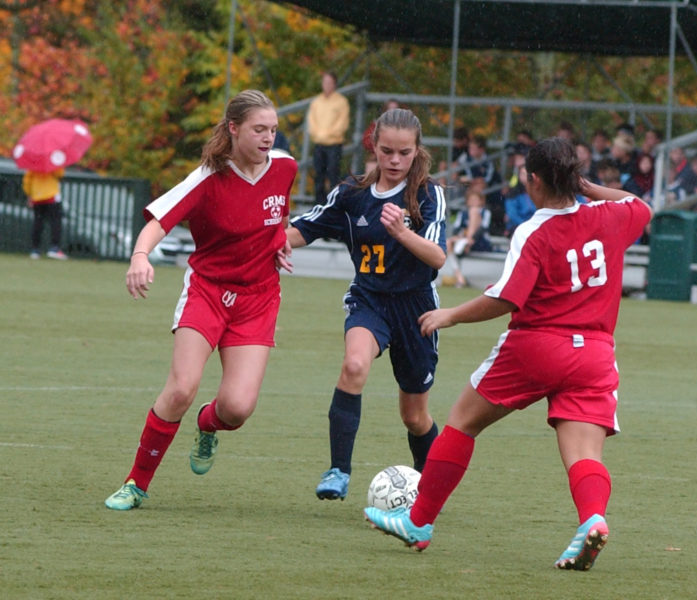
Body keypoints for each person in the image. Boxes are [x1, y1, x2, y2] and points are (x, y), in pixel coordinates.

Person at [364, 137, 653, 572]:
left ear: (532, 179)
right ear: (574, 178)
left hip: (536, 347)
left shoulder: (534, 229)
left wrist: (451, 315)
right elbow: (640, 206)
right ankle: (592, 520)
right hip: (593, 352)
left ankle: (419, 522)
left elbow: (506, 298)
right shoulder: (609, 215)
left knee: (462, 421)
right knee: (584, 455)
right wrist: (590, 189)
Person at [104, 90, 297, 510]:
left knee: (237, 408)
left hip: (258, 299)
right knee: (180, 390)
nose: (268, 138)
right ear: (233, 128)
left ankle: (207, 425)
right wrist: (140, 256)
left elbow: (278, 211)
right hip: (208, 293)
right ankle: (136, 483)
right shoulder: (208, 177)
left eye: (274, 130)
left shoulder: (285, 167)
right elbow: (159, 221)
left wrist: (279, 240)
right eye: (259, 129)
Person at [280, 108, 446, 501]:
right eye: (386, 150)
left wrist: (401, 232)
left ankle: (433, 489)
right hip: (369, 300)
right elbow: (306, 227)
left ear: (417, 151)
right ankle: (338, 470)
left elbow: (438, 258)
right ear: (373, 146)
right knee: (354, 365)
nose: (394, 160)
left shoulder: (427, 195)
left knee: (415, 417)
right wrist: (263, 246)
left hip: (417, 309)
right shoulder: (351, 195)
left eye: (404, 153)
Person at [307, 71, 350, 204]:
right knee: (318, 175)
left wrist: (326, 134)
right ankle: (318, 204)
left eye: (329, 83)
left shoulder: (342, 102)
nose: (326, 85)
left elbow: (342, 124)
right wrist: (318, 133)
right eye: (325, 82)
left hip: (334, 144)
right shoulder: (316, 102)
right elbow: (311, 121)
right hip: (319, 144)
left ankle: (333, 203)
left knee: (333, 175)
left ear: (334, 84)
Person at [444, 186, 493, 288]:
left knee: (474, 211)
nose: (474, 202)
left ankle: (466, 242)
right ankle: (460, 278)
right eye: (471, 200)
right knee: (448, 242)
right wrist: (460, 236)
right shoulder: (462, 213)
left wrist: (472, 238)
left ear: (481, 201)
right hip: (464, 240)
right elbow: (456, 229)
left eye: (476, 200)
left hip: (480, 241)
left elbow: (484, 228)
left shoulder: (485, 212)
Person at [23, 167, 67, 259]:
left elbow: (27, 180)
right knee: (55, 222)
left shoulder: (33, 164)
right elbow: (60, 174)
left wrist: (29, 194)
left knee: (38, 222)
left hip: (37, 196)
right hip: (51, 195)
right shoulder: (54, 161)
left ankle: (35, 249)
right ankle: (54, 248)